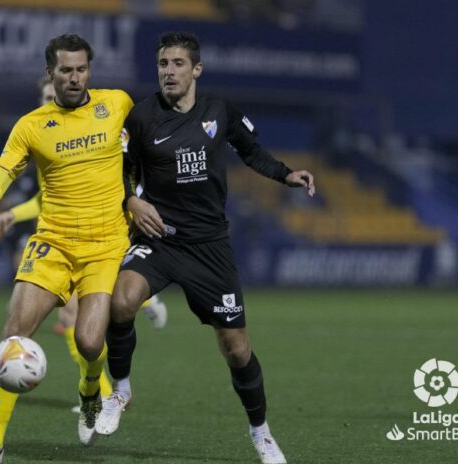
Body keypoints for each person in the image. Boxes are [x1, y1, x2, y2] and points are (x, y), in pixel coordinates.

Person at [95, 32, 316, 464]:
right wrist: (131, 199)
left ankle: (261, 433)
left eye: (178, 64)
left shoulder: (219, 111)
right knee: (120, 302)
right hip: (159, 240)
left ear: (197, 69)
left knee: (236, 349)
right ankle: (119, 391)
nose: (169, 71)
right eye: (163, 64)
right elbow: (120, 171)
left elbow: (251, 151)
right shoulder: (141, 119)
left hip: (210, 247)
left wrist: (287, 174)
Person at [0, 34, 134, 464]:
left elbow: (149, 145)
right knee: (12, 333)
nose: (74, 78)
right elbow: (0, 180)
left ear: (90, 70)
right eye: (65, 70)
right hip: (52, 242)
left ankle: (91, 390)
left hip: (105, 246)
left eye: (81, 69)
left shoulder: (118, 104)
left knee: (90, 342)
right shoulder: (31, 125)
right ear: (49, 73)